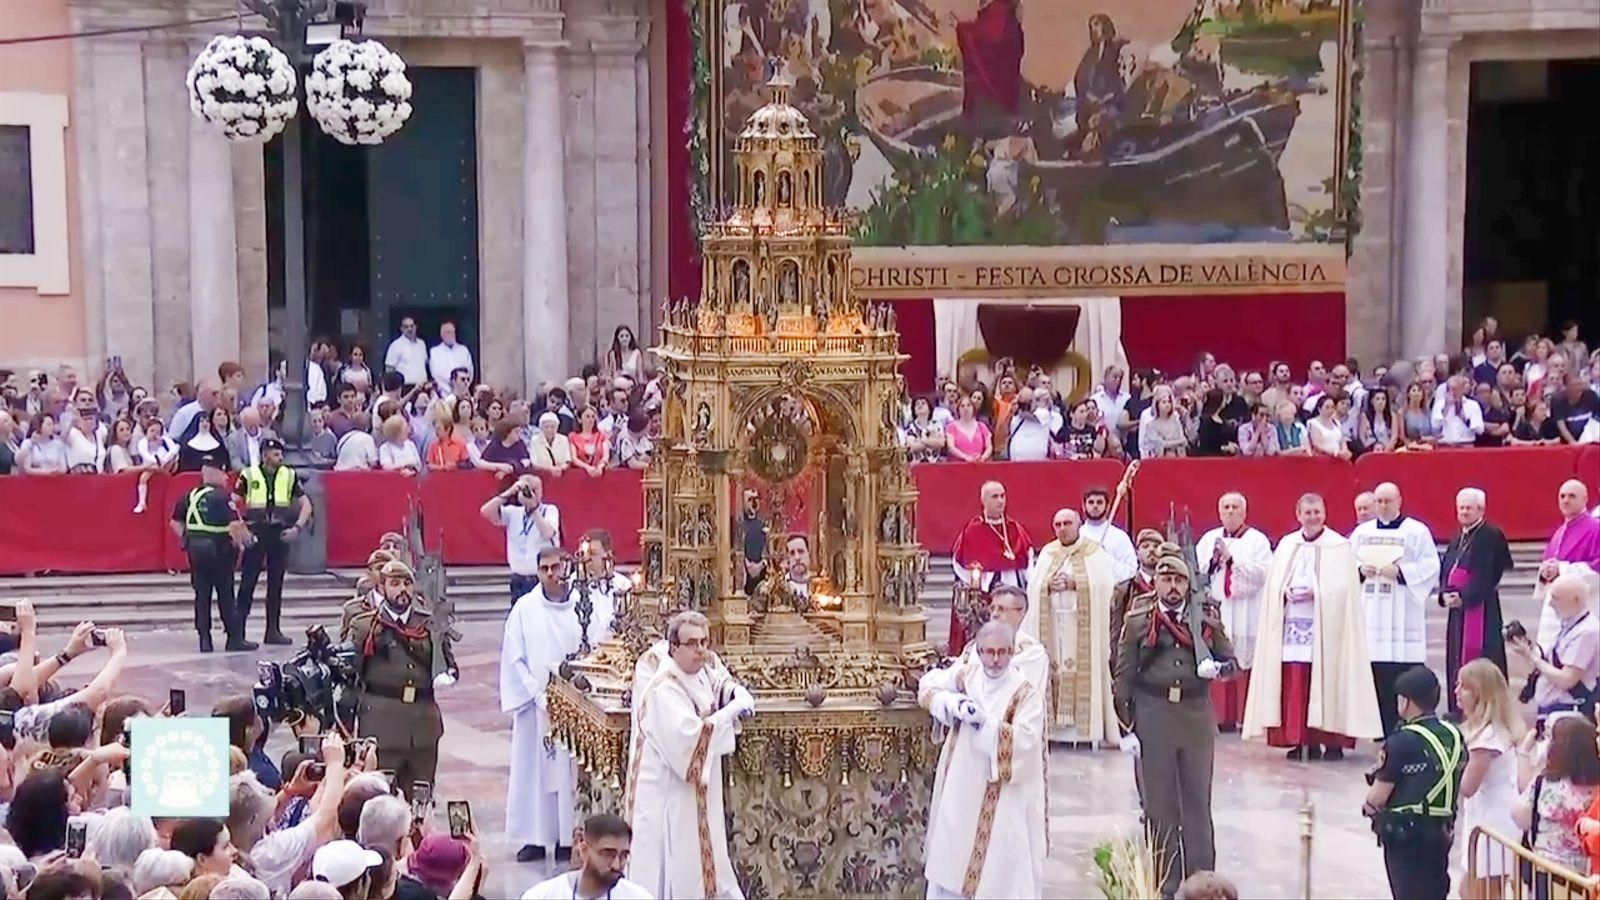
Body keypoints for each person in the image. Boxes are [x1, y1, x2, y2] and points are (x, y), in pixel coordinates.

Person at [1114, 553, 1234, 897]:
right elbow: (1123, 675)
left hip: (1195, 717)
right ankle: (1166, 883)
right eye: (1166, 580)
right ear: (1155, 583)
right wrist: (1126, 727)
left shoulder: (1205, 617)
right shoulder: (1139, 620)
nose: (1172, 587)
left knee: (1197, 802)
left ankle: (1202, 882)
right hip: (1154, 716)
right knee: (1160, 806)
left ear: (1187, 584)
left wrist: (1218, 669)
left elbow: (1231, 660)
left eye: (1179, 580)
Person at [1243, 493, 1382, 760]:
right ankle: (1300, 739)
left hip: (1327, 631)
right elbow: (1273, 584)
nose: (1313, 517)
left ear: (1324, 513)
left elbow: (1344, 589)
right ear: (1298, 515)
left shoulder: (1339, 546)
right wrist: (1284, 591)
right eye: (1307, 512)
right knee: (1295, 681)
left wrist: (1316, 593)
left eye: (1317, 512)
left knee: (1328, 679)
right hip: (1292, 625)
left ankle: (1331, 741)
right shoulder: (1287, 544)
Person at [626, 611, 752, 899]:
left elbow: (715, 679)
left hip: (694, 791)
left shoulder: (697, 668)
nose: (700, 650)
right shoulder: (663, 688)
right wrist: (732, 712)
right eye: (692, 644)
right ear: (673, 647)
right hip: (670, 789)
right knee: (679, 862)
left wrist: (732, 691)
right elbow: (691, 738)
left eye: (704, 642)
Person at [916, 620, 1045, 899]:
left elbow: (1026, 742)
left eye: (1002, 652)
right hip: (960, 788)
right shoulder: (967, 676)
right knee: (952, 858)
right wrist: (949, 704)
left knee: (997, 873)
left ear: (1012, 652)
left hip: (1000, 797)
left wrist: (985, 724)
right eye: (988, 652)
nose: (995, 660)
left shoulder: (1025, 693)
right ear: (979, 650)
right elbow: (929, 685)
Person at [347, 560, 458, 793]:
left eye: (407, 583)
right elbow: (350, 677)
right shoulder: (365, 626)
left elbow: (448, 663)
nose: (402, 590)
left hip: (423, 725)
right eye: (395, 584)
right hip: (382, 724)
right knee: (379, 798)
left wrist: (447, 673)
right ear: (382, 587)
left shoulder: (429, 624)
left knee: (421, 796)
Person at [1362, 666, 1465, 900]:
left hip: (1406, 836)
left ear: (1405, 702)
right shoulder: (1454, 734)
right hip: (1441, 831)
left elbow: (1377, 796)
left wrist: (1369, 808)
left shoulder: (1401, 741)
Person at [1350, 482, 1441, 737]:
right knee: (1374, 671)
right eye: (1378, 501)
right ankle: (1378, 726)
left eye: (1388, 501)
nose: (1383, 506)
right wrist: (1359, 570)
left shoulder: (1416, 531)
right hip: (1371, 609)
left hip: (1402, 610)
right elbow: (1347, 562)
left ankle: (1407, 725)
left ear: (1399, 501)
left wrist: (1401, 572)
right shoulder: (1361, 533)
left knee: (1404, 672)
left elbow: (1431, 566)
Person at [1025, 508, 1119, 744]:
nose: (1062, 528)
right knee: (1054, 669)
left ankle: (1086, 732)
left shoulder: (1093, 551)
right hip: (1054, 625)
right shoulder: (1048, 552)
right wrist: (1047, 585)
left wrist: (1076, 584)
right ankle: (1052, 731)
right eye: (1057, 524)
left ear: (1078, 524)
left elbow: (1107, 586)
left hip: (1081, 627)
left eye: (1067, 523)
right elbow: (1033, 587)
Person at [1196, 492, 1273, 731]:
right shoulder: (1209, 538)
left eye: (1235, 507)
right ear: (1219, 512)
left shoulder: (1257, 540)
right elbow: (1199, 571)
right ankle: (1220, 717)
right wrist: (1214, 561)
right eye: (1226, 507)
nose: (1230, 511)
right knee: (1219, 657)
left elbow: (1264, 573)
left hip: (1246, 608)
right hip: (1218, 608)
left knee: (1244, 660)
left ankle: (1243, 716)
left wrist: (1232, 560)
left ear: (1244, 512)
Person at [169, 452, 254, 653]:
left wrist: (186, 539)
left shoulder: (190, 495)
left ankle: (204, 639)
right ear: (215, 473)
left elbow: (174, 521)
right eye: (224, 473)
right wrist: (248, 542)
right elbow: (235, 526)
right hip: (219, 552)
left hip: (196, 553)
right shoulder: (222, 497)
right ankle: (234, 638)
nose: (226, 478)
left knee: (202, 596)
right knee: (225, 594)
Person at [1439, 487, 1514, 715]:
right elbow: (1447, 570)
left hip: (1481, 608)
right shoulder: (1457, 537)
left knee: (1484, 656)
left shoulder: (1491, 535)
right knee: (1455, 656)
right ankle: (1459, 708)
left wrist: (1465, 597)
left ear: (1481, 509)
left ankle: (1487, 708)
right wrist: (1445, 594)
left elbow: (1491, 574)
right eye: (1460, 507)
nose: (1463, 512)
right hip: (1457, 611)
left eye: (1468, 508)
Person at [1455, 658, 1525, 895]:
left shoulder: (1486, 740)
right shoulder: (1492, 730)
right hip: (1492, 816)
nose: (1456, 692)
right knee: (1473, 889)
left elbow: (1467, 786)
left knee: (1480, 890)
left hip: (1493, 821)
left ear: (1480, 693)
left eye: (1463, 687)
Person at [234, 438, 310, 646]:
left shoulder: (289, 475)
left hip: (279, 532)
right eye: (276, 454)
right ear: (265, 454)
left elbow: (306, 503)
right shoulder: (249, 475)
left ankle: (273, 630)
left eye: (281, 454)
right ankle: (237, 632)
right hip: (256, 531)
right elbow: (232, 502)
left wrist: (297, 527)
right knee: (248, 581)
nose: (280, 458)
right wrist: (241, 528)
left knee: (276, 583)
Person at [949, 480, 1034, 654]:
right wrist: (975, 584)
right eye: (995, 497)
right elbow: (959, 562)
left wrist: (1030, 583)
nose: (1001, 501)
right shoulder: (973, 530)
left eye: (1003, 496)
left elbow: (1028, 558)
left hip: (1012, 589)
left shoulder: (1015, 528)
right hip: (983, 594)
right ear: (984, 500)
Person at [1515, 714, 1600, 882]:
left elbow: (1520, 816)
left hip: (1547, 867)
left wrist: (1526, 753)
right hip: (1585, 875)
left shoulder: (1548, 783)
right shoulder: (1596, 787)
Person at [1513, 573, 1599, 725]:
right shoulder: (1570, 625)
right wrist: (1528, 652)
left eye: (1556, 598)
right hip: (1554, 711)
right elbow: (1551, 665)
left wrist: (1533, 658)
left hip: (1569, 714)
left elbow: (1567, 679)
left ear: (1576, 600)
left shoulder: (1587, 632)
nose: (1551, 604)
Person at [521, 813, 652, 899]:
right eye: (608, 854)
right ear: (583, 850)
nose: (616, 865)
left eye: (623, 856)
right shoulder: (541, 896)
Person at [1536, 479, 1600, 648]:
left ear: (1585, 499)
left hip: (1581, 607)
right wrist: (1545, 572)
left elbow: (1597, 571)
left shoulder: (1596, 529)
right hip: (1555, 607)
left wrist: (1562, 569)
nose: (1566, 500)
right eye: (1562, 496)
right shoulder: (1560, 531)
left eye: (1572, 496)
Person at [480, 474, 561, 606]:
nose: (532, 494)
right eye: (528, 490)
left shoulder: (549, 511)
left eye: (535, 490)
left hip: (542, 578)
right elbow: (485, 511)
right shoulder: (513, 513)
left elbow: (547, 533)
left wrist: (534, 508)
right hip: (519, 578)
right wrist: (509, 492)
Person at [427, 322, 473, 395]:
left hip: (463, 392)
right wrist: (450, 391)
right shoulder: (435, 352)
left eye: (453, 332)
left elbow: (470, 372)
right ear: (441, 334)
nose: (451, 335)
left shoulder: (463, 350)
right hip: (443, 392)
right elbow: (436, 374)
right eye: (448, 332)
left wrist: (462, 389)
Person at [384, 318, 428, 389]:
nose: (409, 329)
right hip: (405, 387)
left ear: (415, 327)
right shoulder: (396, 345)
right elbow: (389, 369)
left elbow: (424, 364)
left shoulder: (422, 344)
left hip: (423, 386)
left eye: (411, 326)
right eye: (406, 327)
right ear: (401, 329)